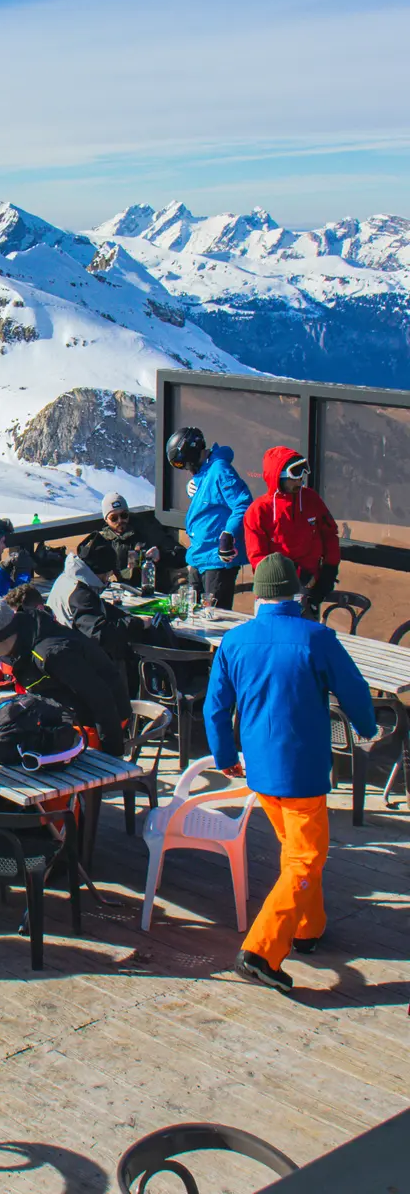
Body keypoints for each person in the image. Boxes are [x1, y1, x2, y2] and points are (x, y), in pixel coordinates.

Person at [204, 553, 376, 993]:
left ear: (258, 597)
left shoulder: (234, 641)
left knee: (295, 849)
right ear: (297, 593)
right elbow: (353, 688)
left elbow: (216, 708)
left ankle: (307, 929)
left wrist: (224, 753)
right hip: (302, 768)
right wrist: (369, 727)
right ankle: (261, 950)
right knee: (306, 856)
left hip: (259, 768)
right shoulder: (316, 636)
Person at [0, 587, 130, 755]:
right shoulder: (22, 635)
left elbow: (100, 697)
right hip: (65, 709)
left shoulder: (51, 654)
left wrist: (111, 754)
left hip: (100, 721)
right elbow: (2, 668)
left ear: (0, 638)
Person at [243, 447, 340, 618]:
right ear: (278, 477)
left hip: (309, 589)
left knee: (306, 640)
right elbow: (257, 557)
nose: (300, 482)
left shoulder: (311, 499)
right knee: (273, 640)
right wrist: (295, 573)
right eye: (294, 477)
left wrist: (328, 572)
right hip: (275, 591)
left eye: (302, 476)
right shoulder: (259, 511)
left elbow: (330, 535)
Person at [166, 426, 253, 610]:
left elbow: (243, 504)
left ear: (194, 453)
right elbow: (211, 500)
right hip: (199, 555)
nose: (188, 470)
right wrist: (194, 485)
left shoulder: (220, 470)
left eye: (187, 465)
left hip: (216, 559)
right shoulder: (205, 471)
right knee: (192, 612)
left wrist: (228, 534)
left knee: (213, 616)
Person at [46, 545, 147, 667]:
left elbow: (97, 606)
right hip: (76, 660)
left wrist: (127, 617)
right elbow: (100, 634)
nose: (108, 578)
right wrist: (137, 624)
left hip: (64, 645)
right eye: (108, 574)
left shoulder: (69, 578)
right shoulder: (81, 594)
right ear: (98, 572)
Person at [78, 492, 186, 592]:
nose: (120, 520)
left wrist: (160, 555)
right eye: (114, 518)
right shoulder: (103, 541)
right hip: (124, 593)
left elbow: (182, 555)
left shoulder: (146, 531)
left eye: (124, 515)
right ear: (106, 520)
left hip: (155, 591)